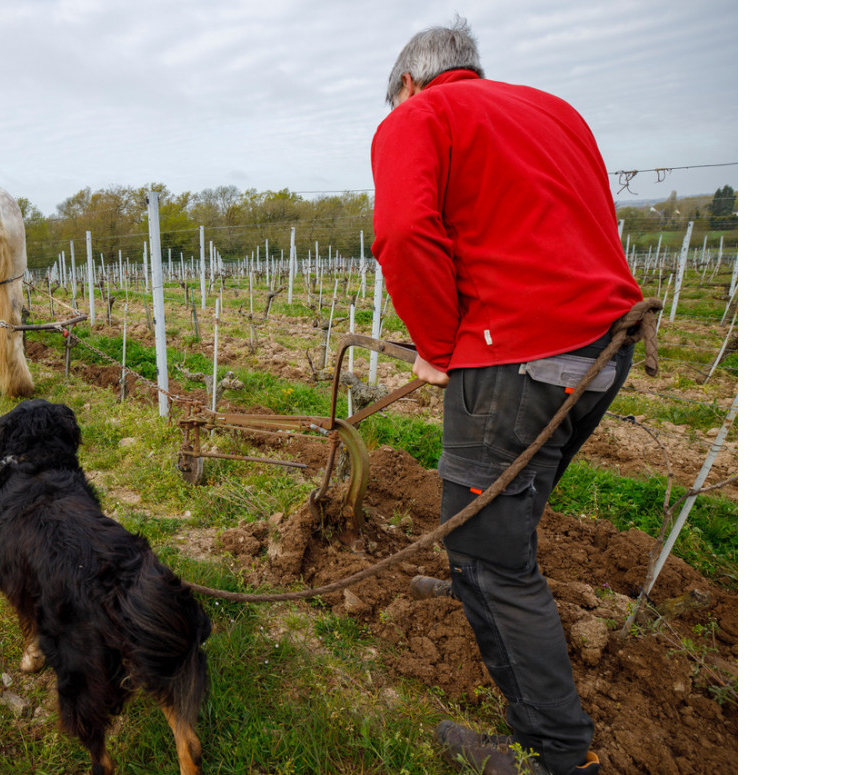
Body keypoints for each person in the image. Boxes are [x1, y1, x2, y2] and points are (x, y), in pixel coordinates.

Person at [370, 18, 643, 775]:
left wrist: (437, 345)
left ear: (407, 84)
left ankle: (557, 753)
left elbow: (401, 230)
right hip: (601, 352)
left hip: (513, 358)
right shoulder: (557, 114)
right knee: (501, 523)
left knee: (495, 559)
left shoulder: (418, 118)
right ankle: (473, 574)